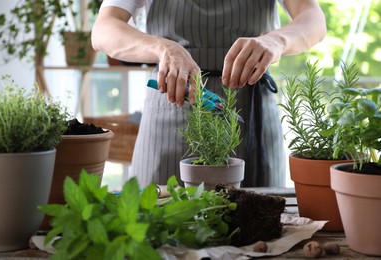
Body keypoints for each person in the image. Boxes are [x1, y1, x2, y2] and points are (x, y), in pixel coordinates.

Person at [92, 0, 326, 187]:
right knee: (159, 227)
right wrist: (163, 48)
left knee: (258, 227)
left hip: (251, 111)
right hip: (171, 107)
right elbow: (104, 29)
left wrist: (277, 40)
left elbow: (313, 18)